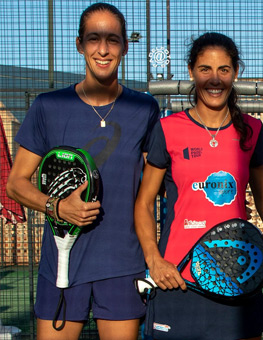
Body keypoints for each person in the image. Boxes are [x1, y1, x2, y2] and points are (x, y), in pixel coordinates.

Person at [134, 32, 263, 339]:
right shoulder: (167, 129)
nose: (215, 79)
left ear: (235, 72)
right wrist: (154, 260)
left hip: (237, 274)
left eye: (224, 70)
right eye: (205, 70)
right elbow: (144, 202)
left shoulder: (251, 129)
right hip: (178, 278)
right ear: (191, 72)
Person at [6, 3, 159, 340]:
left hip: (122, 267)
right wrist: (57, 207)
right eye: (93, 39)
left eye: (112, 40)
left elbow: (154, 183)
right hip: (61, 266)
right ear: (79, 44)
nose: (103, 49)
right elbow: (15, 184)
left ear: (124, 46)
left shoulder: (144, 108)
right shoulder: (48, 106)